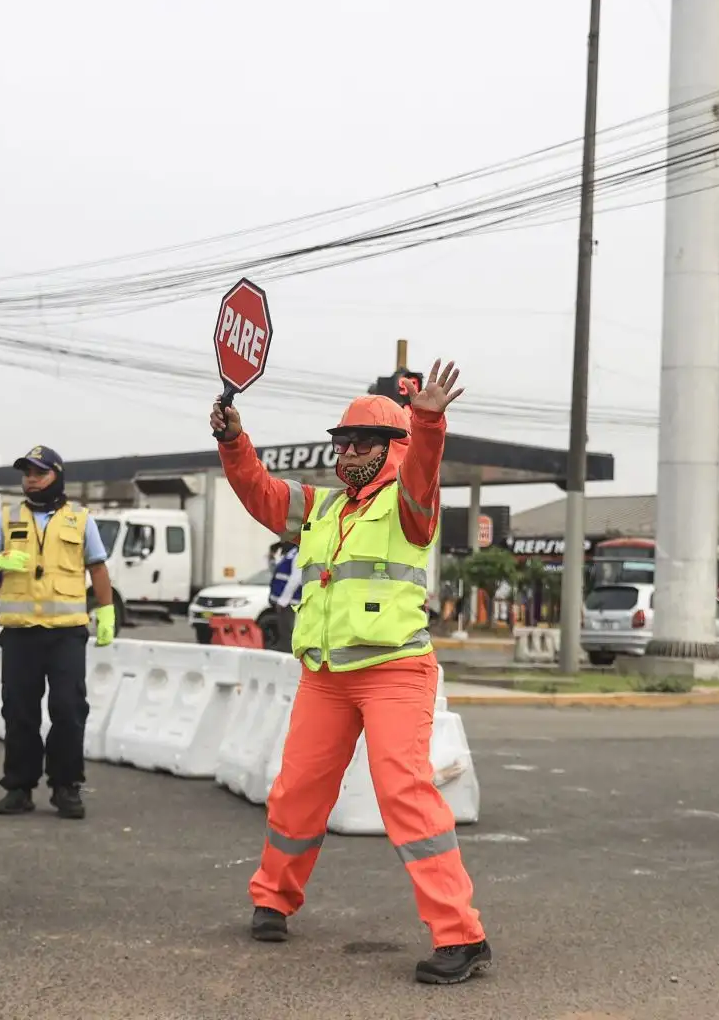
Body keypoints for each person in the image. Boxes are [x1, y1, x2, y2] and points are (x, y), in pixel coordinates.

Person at [211, 362, 491, 987]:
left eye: (362, 441)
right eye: (342, 441)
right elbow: (258, 490)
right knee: (297, 790)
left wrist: (427, 420)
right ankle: (273, 900)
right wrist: (234, 441)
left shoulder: (411, 503)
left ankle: (461, 936)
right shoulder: (320, 508)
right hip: (327, 673)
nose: (349, 451)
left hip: (394, 671)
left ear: (392, 447)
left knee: (405, 794)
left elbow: (423, 467)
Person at [0, 445, 117, 820]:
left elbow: (98, 569)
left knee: (68, 710)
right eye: (27, 474)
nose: (31, 480)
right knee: (19, 712)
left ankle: (65, 787)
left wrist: (105, 612)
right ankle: (19, 788)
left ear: (57, 476)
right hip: (21, 633)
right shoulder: (7, 517)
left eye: (39, 473)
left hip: (67, 633)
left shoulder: (80, 519)